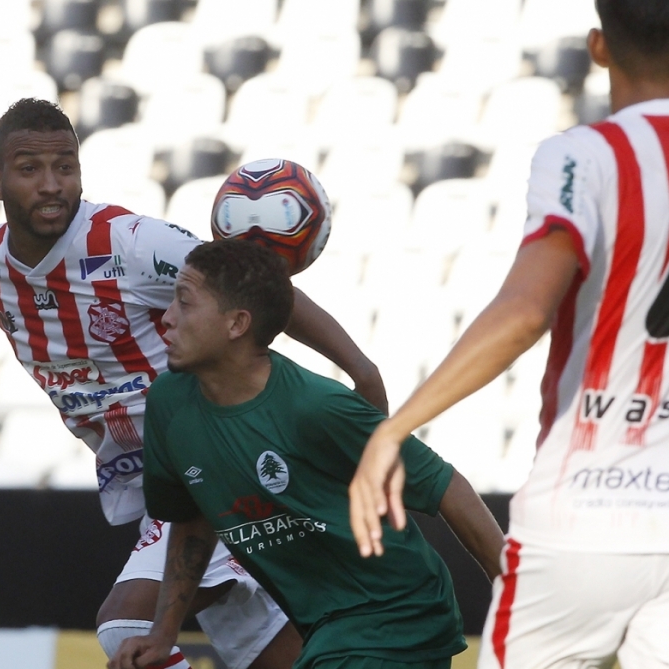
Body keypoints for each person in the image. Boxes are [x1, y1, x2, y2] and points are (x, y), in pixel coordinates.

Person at [349, 1, 669, 668]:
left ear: (597, 46)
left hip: (580, 527)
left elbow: (527, 311)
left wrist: (394, 428)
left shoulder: (579, 157)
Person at [0, 98, 389, 669]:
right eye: (29, 170)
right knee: (277, 657)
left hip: (219, 460)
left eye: (65, 167)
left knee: (127, 628)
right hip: (156, 477)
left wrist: (360, 369)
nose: (51, 185)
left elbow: (251, 288)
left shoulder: (132, 243)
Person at [108, 240, 506, 669]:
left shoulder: (315, 407)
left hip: (396, 617)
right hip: (324, 629)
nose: (166, 318)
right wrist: (161, 635)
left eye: (184, 303)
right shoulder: (169, 403)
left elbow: (445, 485)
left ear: (237, 324)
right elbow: (191, 519)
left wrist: (515, 599)